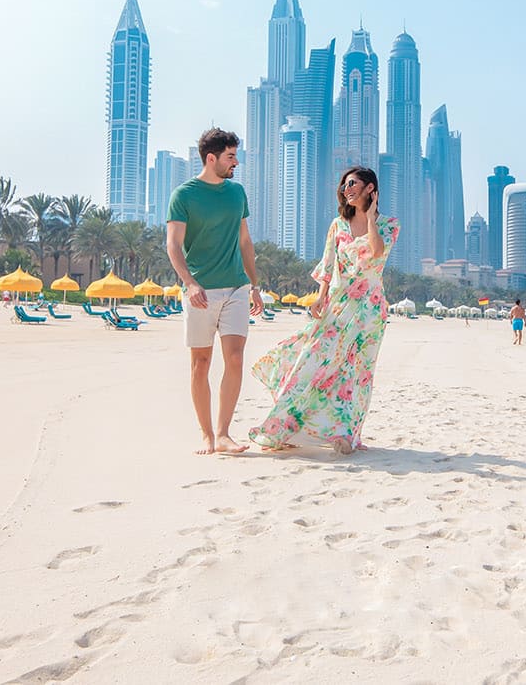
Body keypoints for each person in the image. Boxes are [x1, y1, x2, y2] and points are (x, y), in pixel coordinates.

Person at [249, 167, 398, 455]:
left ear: (370, 188)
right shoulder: (337, 225)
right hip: (339, 306)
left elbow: (378, 252)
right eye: (344, 185)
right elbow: (328, 265)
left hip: (370, 311)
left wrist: (370, 217)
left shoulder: (389, 224)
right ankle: (286, 425)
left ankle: (347, 435)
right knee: (312, 361)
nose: (346, 189)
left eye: (352, 183)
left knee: (358, 374)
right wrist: (320, 297)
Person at [166, 128, 265, 456]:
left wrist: (255, 286)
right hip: (201, 292)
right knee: (201, 363)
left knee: (234, 359)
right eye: (230, 156)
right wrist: (190, 283)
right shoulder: (184, 195)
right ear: (212, 158)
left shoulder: (237, 193)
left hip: (237, 286)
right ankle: (206, 435)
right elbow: (173, 245)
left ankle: (223, 434)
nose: (236, 162)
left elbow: (245, 242)